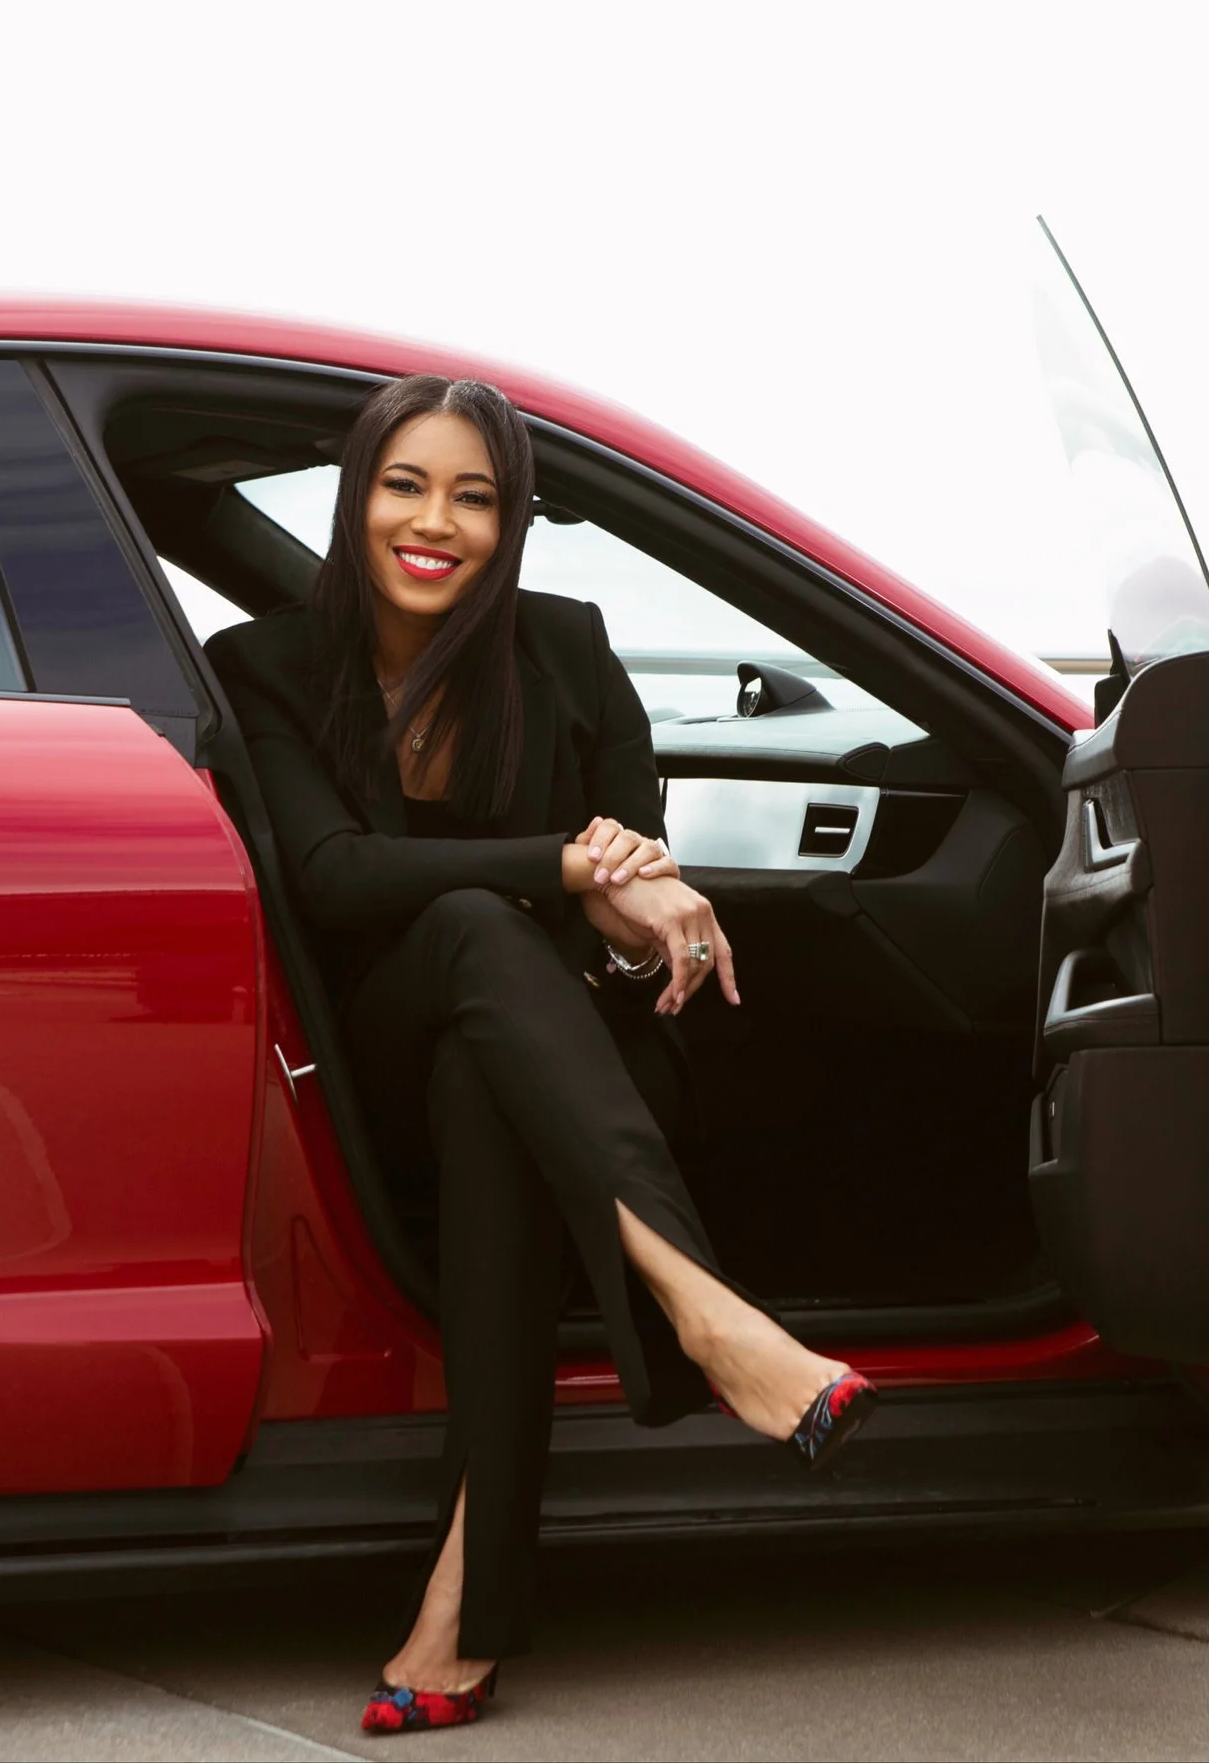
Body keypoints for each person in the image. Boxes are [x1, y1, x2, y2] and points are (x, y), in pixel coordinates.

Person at [213, 374, 876, 1736]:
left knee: (495, 1079)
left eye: (476, 494)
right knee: (462, 931)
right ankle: (703, 1307)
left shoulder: (568, 650)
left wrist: (632, 913)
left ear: (513, 520)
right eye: (407, 484)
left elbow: (641, 893)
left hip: (546, 1065)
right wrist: (564, 866)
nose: (436, 521)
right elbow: (336, 880)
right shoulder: (266, 665)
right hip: (367, 1073)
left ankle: (465, 1609)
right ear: (356, 497)